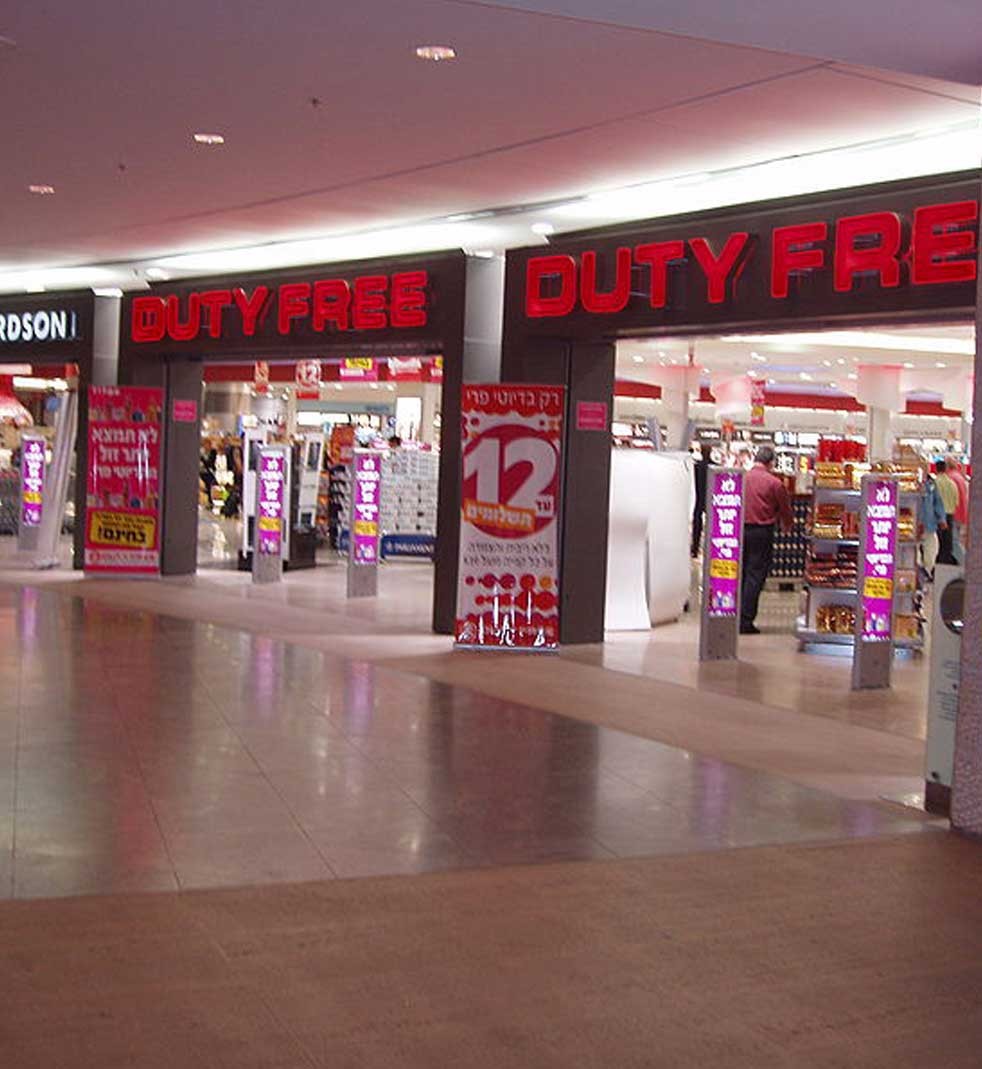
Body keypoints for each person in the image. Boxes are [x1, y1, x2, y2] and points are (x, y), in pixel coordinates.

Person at [740, 445, 793, 635]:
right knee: (755, 575)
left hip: (740, 531)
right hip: (762, 532)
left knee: (741, 573)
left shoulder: (742, 478)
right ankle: (745, 620)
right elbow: (785, 509)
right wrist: (787, 525)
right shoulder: (775, 483)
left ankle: (734, 614)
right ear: (771, 463)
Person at [918, 466, 948, 580]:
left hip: (929, 523)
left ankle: (926, 570)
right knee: (912, 550)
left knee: (932, 547)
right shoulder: (910, 484)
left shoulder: (931, 484)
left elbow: (937, 502)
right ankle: (919, 569)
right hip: (913, 524)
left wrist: (942, 519)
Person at [934, 458, 959, 565]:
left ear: (936, 469)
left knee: (938, 540)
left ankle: (938, 560)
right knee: (947, 540)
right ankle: (946, 560)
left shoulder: (935, 483)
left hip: (938, 515)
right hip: (950, 514)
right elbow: (956, 501)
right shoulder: (952, 484)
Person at [691, 443, 712, 558]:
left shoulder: (697, 467)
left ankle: (695, 548)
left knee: (697, 524)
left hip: (699, 498)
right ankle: (709, 548)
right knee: (711, 525)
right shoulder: (714, 466)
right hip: (710, 499)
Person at [948, 458, 970, 560]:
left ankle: (964, 561)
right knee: (955, 540)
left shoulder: (950, 478)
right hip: (961, 513)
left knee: (954, 542)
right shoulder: (959, 477)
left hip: (953, 513)